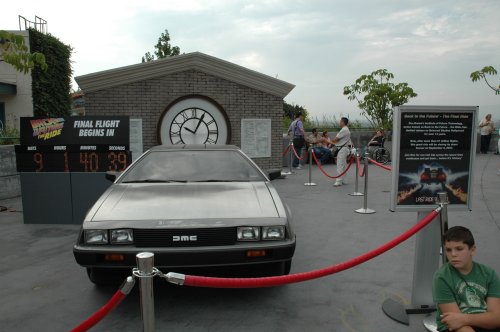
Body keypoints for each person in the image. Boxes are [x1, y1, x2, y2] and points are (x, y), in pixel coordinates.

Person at [432, 226, 500, 332]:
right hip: (456, 328)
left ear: (472, 250)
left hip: (483, 323)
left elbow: (496, 318)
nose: (453, 254)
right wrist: (462, 320)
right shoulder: (442, 277)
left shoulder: (489, 274)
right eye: (448, 250)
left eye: (459, 249)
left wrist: (464, 319)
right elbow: (453, 322)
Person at [330, 117, 352, 186]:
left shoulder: (344, 130)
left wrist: (329, 141)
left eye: (340, 121)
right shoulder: (346, 129)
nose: (339, 122)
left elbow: (336, 139)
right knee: (344, 165)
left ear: (343, 122)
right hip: (344, 148)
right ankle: (344, 180)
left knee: (340, 165)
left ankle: (339, 181)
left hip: (342, 149)